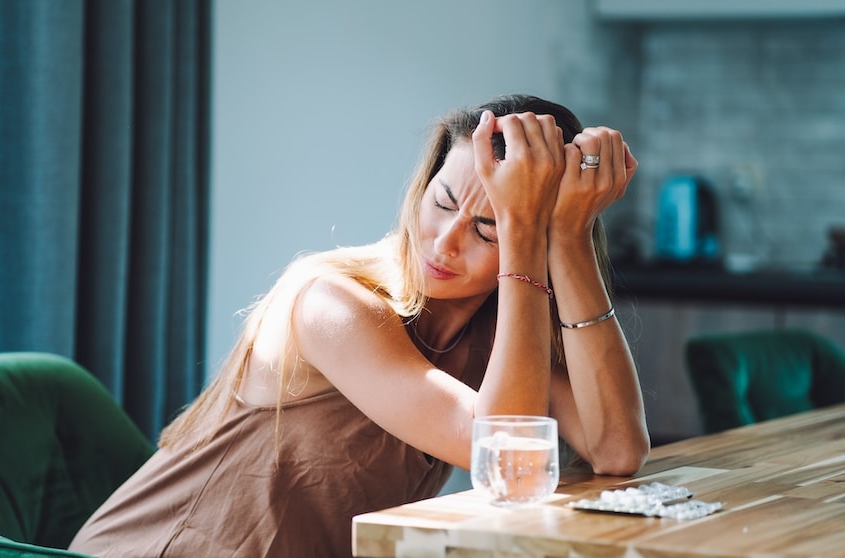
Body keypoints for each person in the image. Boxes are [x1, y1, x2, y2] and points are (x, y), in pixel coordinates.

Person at [68, 94, 650, 557]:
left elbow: (617, 450)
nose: (445, 242)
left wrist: (568, 235)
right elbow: (506, 460)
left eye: (487, 229)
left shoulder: (497, 338)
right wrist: (520, 227)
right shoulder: (329, 302)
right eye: (442, 202)